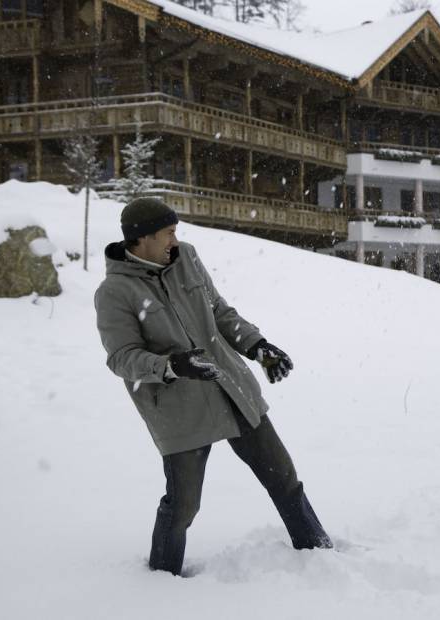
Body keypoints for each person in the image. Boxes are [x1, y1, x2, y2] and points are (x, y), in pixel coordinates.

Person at [95, 197, 332, 576]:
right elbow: (121, 357)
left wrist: (258, 346)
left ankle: (320, 553)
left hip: (230, 388)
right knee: (183, 505)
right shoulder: (115, 292)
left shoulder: (186, 257)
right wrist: (172, 366)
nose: (176, 239)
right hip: (178, 408)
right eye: (169, 232)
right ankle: (161, 578)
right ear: (142, 238)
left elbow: (219, 312)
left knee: (283, 477)